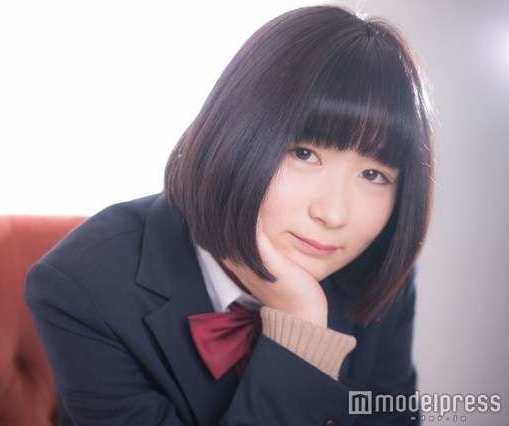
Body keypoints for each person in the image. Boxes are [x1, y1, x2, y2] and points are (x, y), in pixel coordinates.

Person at [24, 4, 434, 425]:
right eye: (304, 153)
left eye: (373, 175)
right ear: (234, 134)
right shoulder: (82, 285)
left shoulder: (377, 272)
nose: (333, 213)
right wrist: (302, 327)